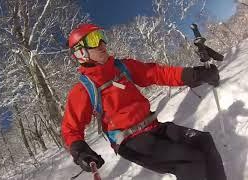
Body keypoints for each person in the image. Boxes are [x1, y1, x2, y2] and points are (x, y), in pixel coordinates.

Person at [61, 23, 226, 180]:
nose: (101, 43)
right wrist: (79, 149)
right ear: (80, 52)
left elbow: (156, 73)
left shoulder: (122, 67)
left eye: (101, 36)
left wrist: (194, 75)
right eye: (93, 40)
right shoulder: (83, 89)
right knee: (189, 160)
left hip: (154, 126)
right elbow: (71, 128)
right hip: (129, 141)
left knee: (203, 141)